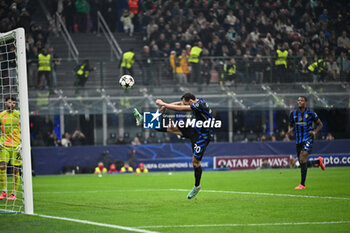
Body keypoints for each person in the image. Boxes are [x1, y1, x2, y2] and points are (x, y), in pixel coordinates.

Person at [133, 93, 214, 199]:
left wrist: (163, 103)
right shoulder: (197, 101)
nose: (183, 104)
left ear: (190, 101)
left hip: (202, 136)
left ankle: (197, 186)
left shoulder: (200, 105)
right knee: (171, 127)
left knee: (195, 162)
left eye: (185, 103)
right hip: (194, 129)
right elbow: (179, 104)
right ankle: (143, 119)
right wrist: (165, 106)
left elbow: (181, 109)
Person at [285, 96, 325, 190]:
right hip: (298, 140)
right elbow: (290, 125)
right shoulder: (293, 114)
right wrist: (289, 131)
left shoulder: (311, 114)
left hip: (308, 138)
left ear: (305, 102)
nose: (299, 102)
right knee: (302, 161)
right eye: (298, 100)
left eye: (301, 100)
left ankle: (302, 185)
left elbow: (320, 124)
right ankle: (318, 162)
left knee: (302, 157)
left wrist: (314, 132)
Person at [0, 97, 21, 201]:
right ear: (5, 103)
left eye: (13, 102)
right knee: (2, 166)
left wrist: (22, 143)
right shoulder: (1, 115)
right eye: (9, 102)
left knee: (15, 169)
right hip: (4, 145)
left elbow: (24, 127)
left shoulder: (18, 114)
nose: (12, 104)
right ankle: (4, 191)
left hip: (16, 146)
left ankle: (14, 193)